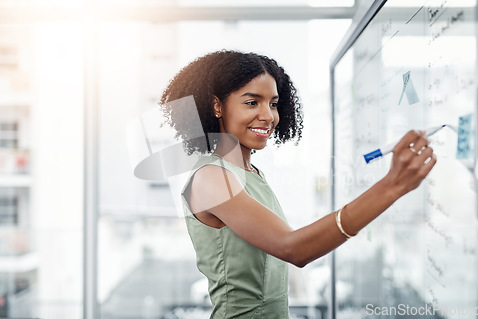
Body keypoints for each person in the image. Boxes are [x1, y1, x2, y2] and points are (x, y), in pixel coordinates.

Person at [159, 50, 436, 319]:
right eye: (252, 102)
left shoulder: (251, 172)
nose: (268, 116)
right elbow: (294, 248)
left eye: (274, 103)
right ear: (217, 106)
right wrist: (392, 186)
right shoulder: (212, 177)